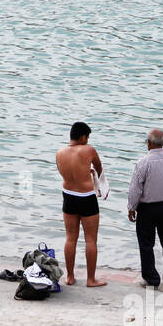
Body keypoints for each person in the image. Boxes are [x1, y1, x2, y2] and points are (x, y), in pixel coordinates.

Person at [126, 129, 163, 288]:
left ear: (149, 143)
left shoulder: (143, 163)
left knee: (146, 243)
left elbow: (136, 189)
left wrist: (132, 207)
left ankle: (151, 278)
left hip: (147, 209)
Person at [56, 121, 107, 287]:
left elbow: (63, 171)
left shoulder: (60, 152)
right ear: (83, 136)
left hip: (68, 195)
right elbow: (99, 168)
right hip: (86, 197)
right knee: (91, 239)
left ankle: (70, 277)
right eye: (87, 137)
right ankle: (91, 279)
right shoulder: (88, 149)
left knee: (70, 238)